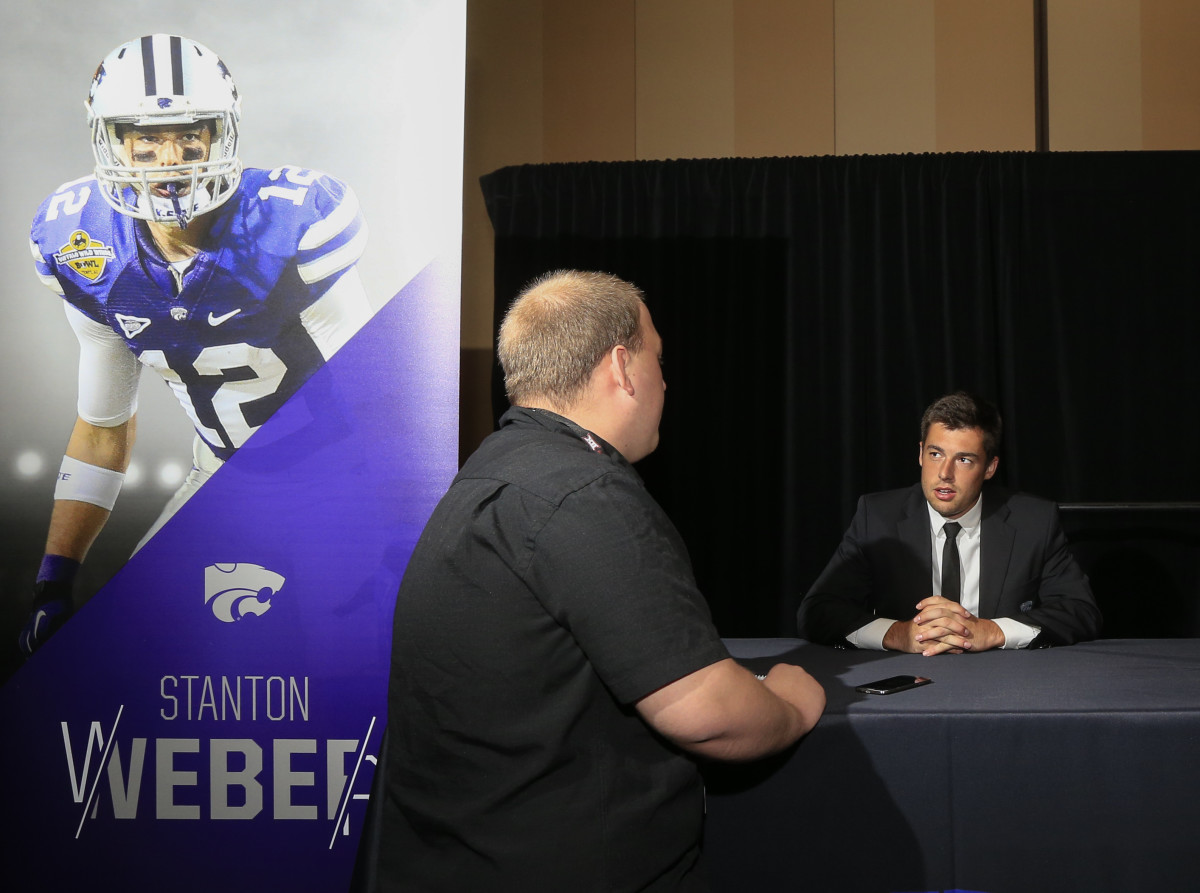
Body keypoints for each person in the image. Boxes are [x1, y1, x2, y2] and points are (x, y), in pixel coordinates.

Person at [377, 270, 825, 891]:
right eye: (658, 360)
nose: (665, 382)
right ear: (621, 367)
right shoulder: (584, 494)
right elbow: (710, 716)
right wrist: (794, 702)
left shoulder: (491, 471)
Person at [19, 34, 371, 655]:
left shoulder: (293, 223)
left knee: (339, 673)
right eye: (145, 140)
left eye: (189, 135)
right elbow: (102, 427)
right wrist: (54, 582)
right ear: (113, 143)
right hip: (219, 477)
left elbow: (376, 395)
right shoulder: (84, 245)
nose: (170, 158)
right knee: (131, 657)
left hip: (332, 480)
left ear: (220, 135)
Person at [796, 391, 1101, 654]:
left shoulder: (1034, 521)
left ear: (990, 468)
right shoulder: (877, 517)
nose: (945, 472)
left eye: (964, 459)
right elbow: (818, 611)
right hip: (907, 683)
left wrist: (992, 632)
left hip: (1004, 686)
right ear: (920, 454)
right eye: (935, 453)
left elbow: (1080, 611)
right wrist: (897, 634)